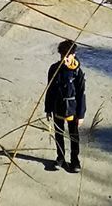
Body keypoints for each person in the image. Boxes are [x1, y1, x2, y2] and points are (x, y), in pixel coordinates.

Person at [44, 39, 86, 172]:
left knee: (74, 136)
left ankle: (75, 160)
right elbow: (50, 90)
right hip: (58, 107)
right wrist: (48, 109)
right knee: (59, 134)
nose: (65, 59)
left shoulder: (77, 72)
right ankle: (60, 158)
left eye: (67, 56)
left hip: (72, 108)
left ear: (73, 55)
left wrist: (81, 114)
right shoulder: (54, 69)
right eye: (63, 56)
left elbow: (81, 93)